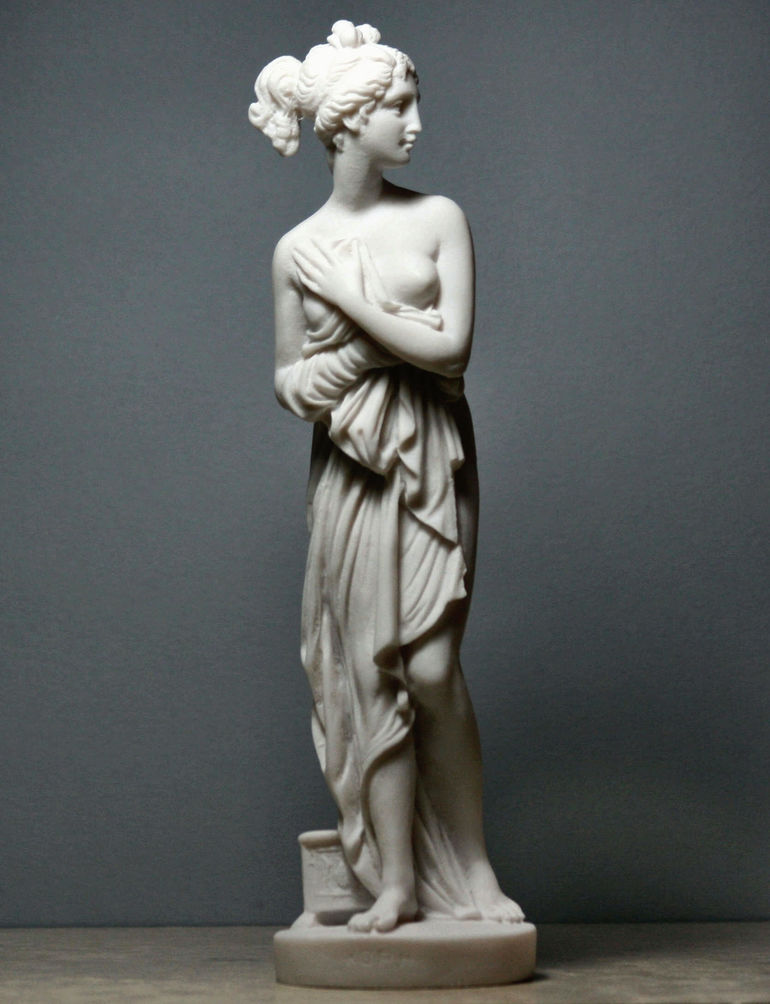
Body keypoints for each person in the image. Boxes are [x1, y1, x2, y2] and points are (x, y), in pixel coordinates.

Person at [250, 20, 523, 933]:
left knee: (433, 667)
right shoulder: (296, 250)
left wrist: (354, 308)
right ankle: (398, 883)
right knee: (374, 674)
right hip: (353, 474)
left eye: (412, 103)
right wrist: (371, 348)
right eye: (398, 106)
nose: (415, 122)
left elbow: (451, 353)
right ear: (349, 121)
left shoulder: (439, 218)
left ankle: (474, 870)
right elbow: (292, 387)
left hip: (432, 459)